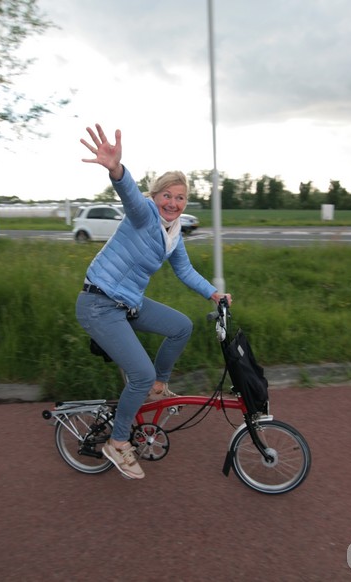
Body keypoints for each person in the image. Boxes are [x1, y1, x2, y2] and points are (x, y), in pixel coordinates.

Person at [76, 124, 231, 480]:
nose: (173, 203)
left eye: (180, 198)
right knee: (140, 374)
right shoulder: (144, 214)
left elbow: (185, 270)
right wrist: (116, 169)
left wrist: (213, 293)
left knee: (181, 327)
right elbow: (129, 193)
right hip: (99, 304)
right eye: (167, 195)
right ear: (156, 195)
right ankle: (118, 442)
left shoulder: (172, 234)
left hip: (127, 304)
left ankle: (157, 387)